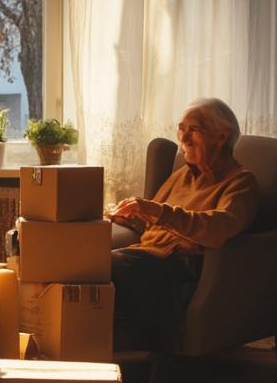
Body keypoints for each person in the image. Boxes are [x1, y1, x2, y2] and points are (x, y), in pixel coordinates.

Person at [106, 97, 259, 360]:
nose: (183, 138)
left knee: (113, 265)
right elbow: (153, 223)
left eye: (193, 130)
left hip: (182, 262)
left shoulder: (240, 183)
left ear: (222, 136)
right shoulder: (182, 175)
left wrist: (158, 211)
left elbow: (219, 228)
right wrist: (122, 215)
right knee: (87, 261)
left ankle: (152, 364)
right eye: (181, 129)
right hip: (147, 254)